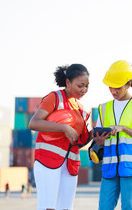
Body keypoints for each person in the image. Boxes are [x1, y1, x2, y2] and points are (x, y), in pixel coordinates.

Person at [92, 60, 132, 210]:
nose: (113, 91)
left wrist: (124, 128)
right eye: (110, 87)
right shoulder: (103, 108)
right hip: (109, 168)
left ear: (129, 84)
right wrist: (99, 141)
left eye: (117, 87)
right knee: (104, 207)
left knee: (128, 207)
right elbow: (100, 142)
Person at [29, 64, 91, 210]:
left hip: (70, 165)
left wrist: (96, 137)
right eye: (80, 85)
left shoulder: (83, 110)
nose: (84, 90)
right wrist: (63, 127)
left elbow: (80, 141)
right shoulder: (54, 98)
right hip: (47, 161)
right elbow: (34, 123)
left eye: (87, 86)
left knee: (65, 208)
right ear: (68, 82)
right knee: (48, 207)